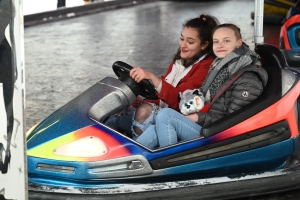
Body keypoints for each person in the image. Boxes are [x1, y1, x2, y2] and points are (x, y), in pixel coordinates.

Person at [136, 23, 268, 149]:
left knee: (166, 116)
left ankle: (170, 166)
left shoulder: (247, 77)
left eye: (226, 41)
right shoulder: (219, 67)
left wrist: (198, 117)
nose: (220, 45)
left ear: (238, 43)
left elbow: (234, 121)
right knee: (155, 128)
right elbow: (205, 100)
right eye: (216, 42)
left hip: (221, 135)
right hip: (210, 124)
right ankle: (122, 160)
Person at [105, 14, 219, 139]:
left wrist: (154, 79)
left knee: (144, 111)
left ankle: (138, 148)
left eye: (190, 42)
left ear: (204, 45)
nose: (183, 45)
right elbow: (162, 93)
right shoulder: (179, 62)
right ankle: (103, 148)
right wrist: (141, 99)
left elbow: (182, 101)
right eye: (182, 39)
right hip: (165, 110)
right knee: (118, 108)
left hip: (178, 118)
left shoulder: (205, 67)